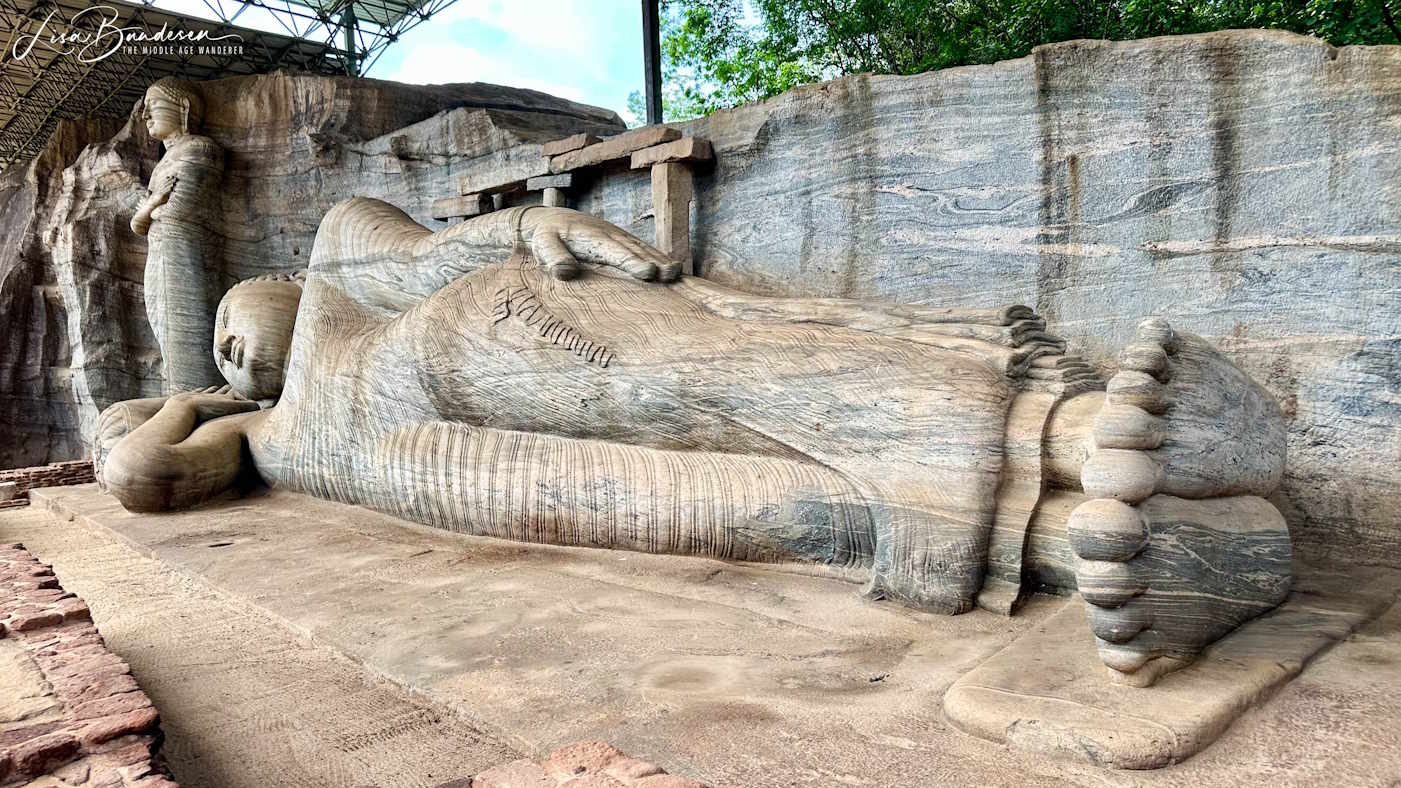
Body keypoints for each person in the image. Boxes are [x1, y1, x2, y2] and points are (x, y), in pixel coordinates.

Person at [99, 198, 1292, 686]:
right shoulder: (253, 434)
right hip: (447, 476)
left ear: (272, 285)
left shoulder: (336, 262)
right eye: (212, 361)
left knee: (724, 380)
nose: (230, 355)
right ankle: (1109, 546)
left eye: (230, 329)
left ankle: (1081, 430)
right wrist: (198, 407)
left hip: (468, 343)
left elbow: (428, 251)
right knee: (754, 508)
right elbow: (144, 477)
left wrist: (534, 220)